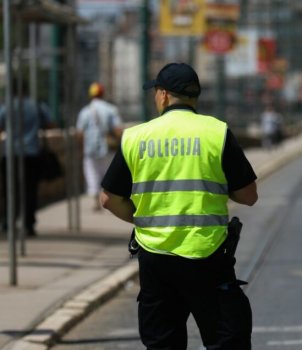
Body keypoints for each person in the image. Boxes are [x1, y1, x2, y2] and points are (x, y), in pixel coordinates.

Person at [99, 62, 258, 349]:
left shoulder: (135, 138)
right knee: (227, 338)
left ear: (162, 95)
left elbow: (108, 199)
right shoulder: (216, 132)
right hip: (207, 256)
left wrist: (143, 220)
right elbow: (248, 195)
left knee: (163, 343)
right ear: (194, 97)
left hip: (155, 258)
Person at [0, 81, 55, 236]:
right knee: (30, 190)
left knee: (10, 190)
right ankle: (28, 224)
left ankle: (7, 221)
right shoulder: (36, 106)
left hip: (10, 153)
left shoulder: (6, 108)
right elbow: (51, 124)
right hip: (31, 153)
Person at [76, 82, 123, 210]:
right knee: (108, 175)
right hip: (107, 148)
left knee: (92, 175)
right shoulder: (110, 109)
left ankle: (95, 202)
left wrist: (82, 147)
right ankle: (108, 201)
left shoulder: (85, 111)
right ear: (102, 94)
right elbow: (118, 129)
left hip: (90, 150)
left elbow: (80, 133)